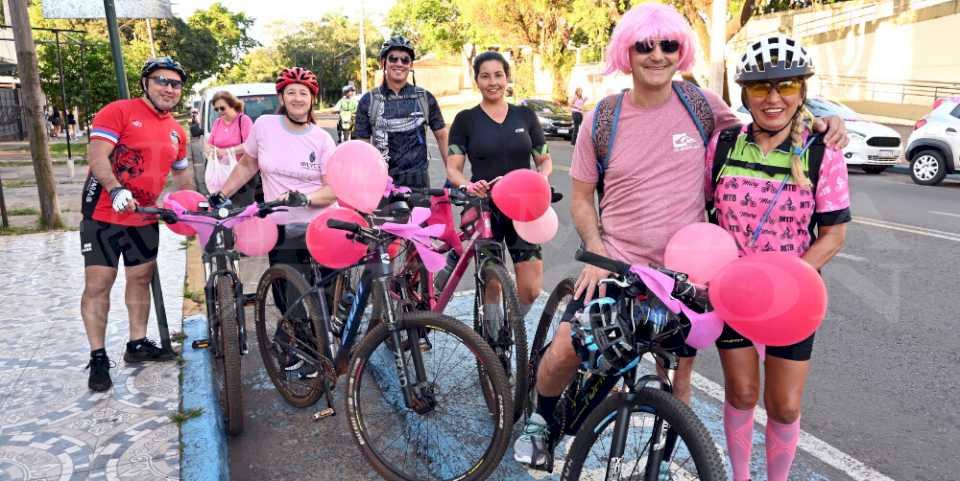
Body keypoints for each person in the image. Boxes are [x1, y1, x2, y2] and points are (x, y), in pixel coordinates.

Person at [514, 4, 848, 470]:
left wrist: (821, 123)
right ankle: (541, 420)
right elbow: (582, 199)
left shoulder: (702, 107)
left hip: (685, 279)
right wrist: (595, 250)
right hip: (617, 265)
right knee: (568, 348)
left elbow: (770, 120)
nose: (656, 55)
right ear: (624, 54)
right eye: (643, 46)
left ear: (681, 51)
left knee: (677, 382)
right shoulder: (602, 119)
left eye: (667, 44)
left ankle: (662, 456)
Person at [708, 35, 849, 481]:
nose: (773, 99)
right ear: (744, 94)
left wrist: (788, 281)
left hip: (793, 298)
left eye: (786, 86)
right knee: (744, 392)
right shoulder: (725, 145)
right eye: (760, 88)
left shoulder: (821, 151)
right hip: (733, 292)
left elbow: (833, 235)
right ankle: (741, 477)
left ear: (802, 91)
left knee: (785, 405)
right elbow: (703, 216)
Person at [208, 67, 338, 375]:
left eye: (303, 93)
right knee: (287, 292)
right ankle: (302, 346)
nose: (297, 98)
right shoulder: (265, 126)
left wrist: (306, 199)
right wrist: (222, 194)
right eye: (291, 92)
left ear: (312, 100)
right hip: (279, 225)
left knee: (324, 293)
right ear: (281, 97)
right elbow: (249, 163)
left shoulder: (321, 139)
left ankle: (296, 339)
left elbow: (333, 188)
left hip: (318, 224)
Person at [79, 57, 193, 392]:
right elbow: (98, 155)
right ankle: (98, 356)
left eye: (175, 84)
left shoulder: (177, 130)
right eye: (161, 81)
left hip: (144, 215)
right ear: (145, 83)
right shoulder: (118, 111)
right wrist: (115, 188)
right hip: (103, 211)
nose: (169, 89)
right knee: (100, 282)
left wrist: (193, 204)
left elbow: (182, 174)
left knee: (140, 278)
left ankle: (137, 343)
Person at [446, 51, 553, 323]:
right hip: (485, 209)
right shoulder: (465, 120)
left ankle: (510, 327)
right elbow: (453, 169)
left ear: (506, 78)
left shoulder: (525, 116)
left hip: (523, 207)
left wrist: (541, 177)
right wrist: (469, 185)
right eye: (485, 76)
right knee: (492, 284)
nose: (492, 82)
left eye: (498, 75)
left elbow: (545, 160)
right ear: (477, 81)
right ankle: (494, 344)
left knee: (530, 289)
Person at [354, 36, 448, 188]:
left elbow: (442, 136)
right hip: (381, 185)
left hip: (419, 185)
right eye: (393, 59)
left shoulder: (424, 98)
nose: (399, 64)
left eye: (405, 60)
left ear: (410, 65)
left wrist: (452, 173)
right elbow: (361, 146)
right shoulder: (368, 100)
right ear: (383, 62)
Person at [206, 91, 257, 206]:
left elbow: (250, 145)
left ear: (232, 105)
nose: (219, 112)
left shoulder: (243, 120)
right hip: (222, 172)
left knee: (240, 209)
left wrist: (227, 151)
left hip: (242, 172)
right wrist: (210, 151)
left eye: (222, 108)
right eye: (216, 109)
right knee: (222, 207)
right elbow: (210, 143)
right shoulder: (217, 123)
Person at [188, 108, 206, 194]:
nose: (194, 114)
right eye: (192, 113)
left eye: (195, 112)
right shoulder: (192, 122)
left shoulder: (201, 119)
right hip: (197, 148)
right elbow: (195, 131)